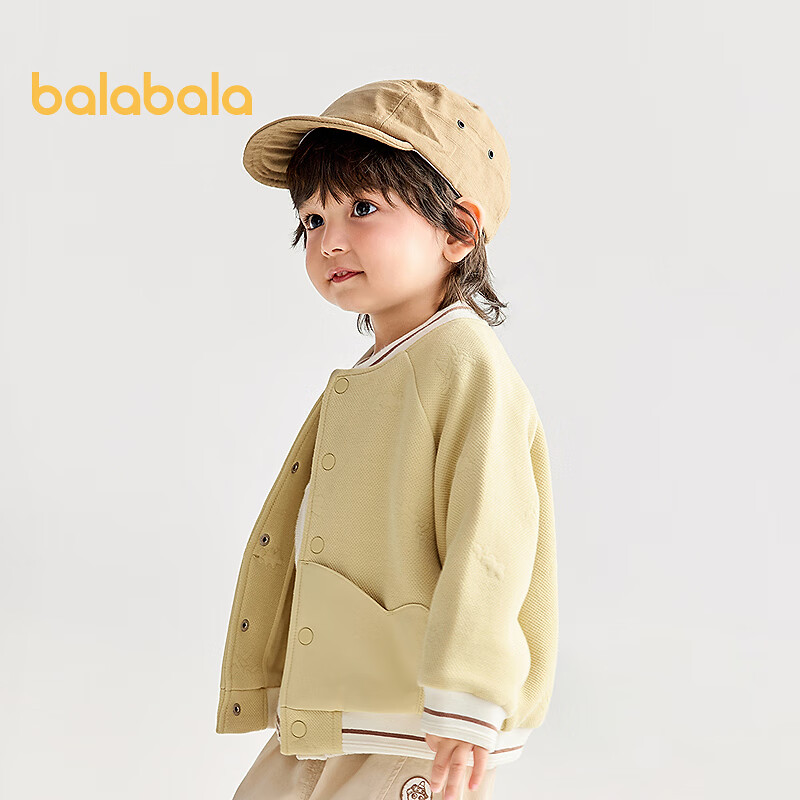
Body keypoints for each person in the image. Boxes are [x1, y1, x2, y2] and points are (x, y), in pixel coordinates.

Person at [216, 78, 559, 800]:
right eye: (312, 219)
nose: (329, 239)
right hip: (341, 706)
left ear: (457, 230)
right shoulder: (383, 367)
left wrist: (468, 697)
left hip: (417, 722)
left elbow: (491, 538)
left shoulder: (462, 364)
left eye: (363, 208)